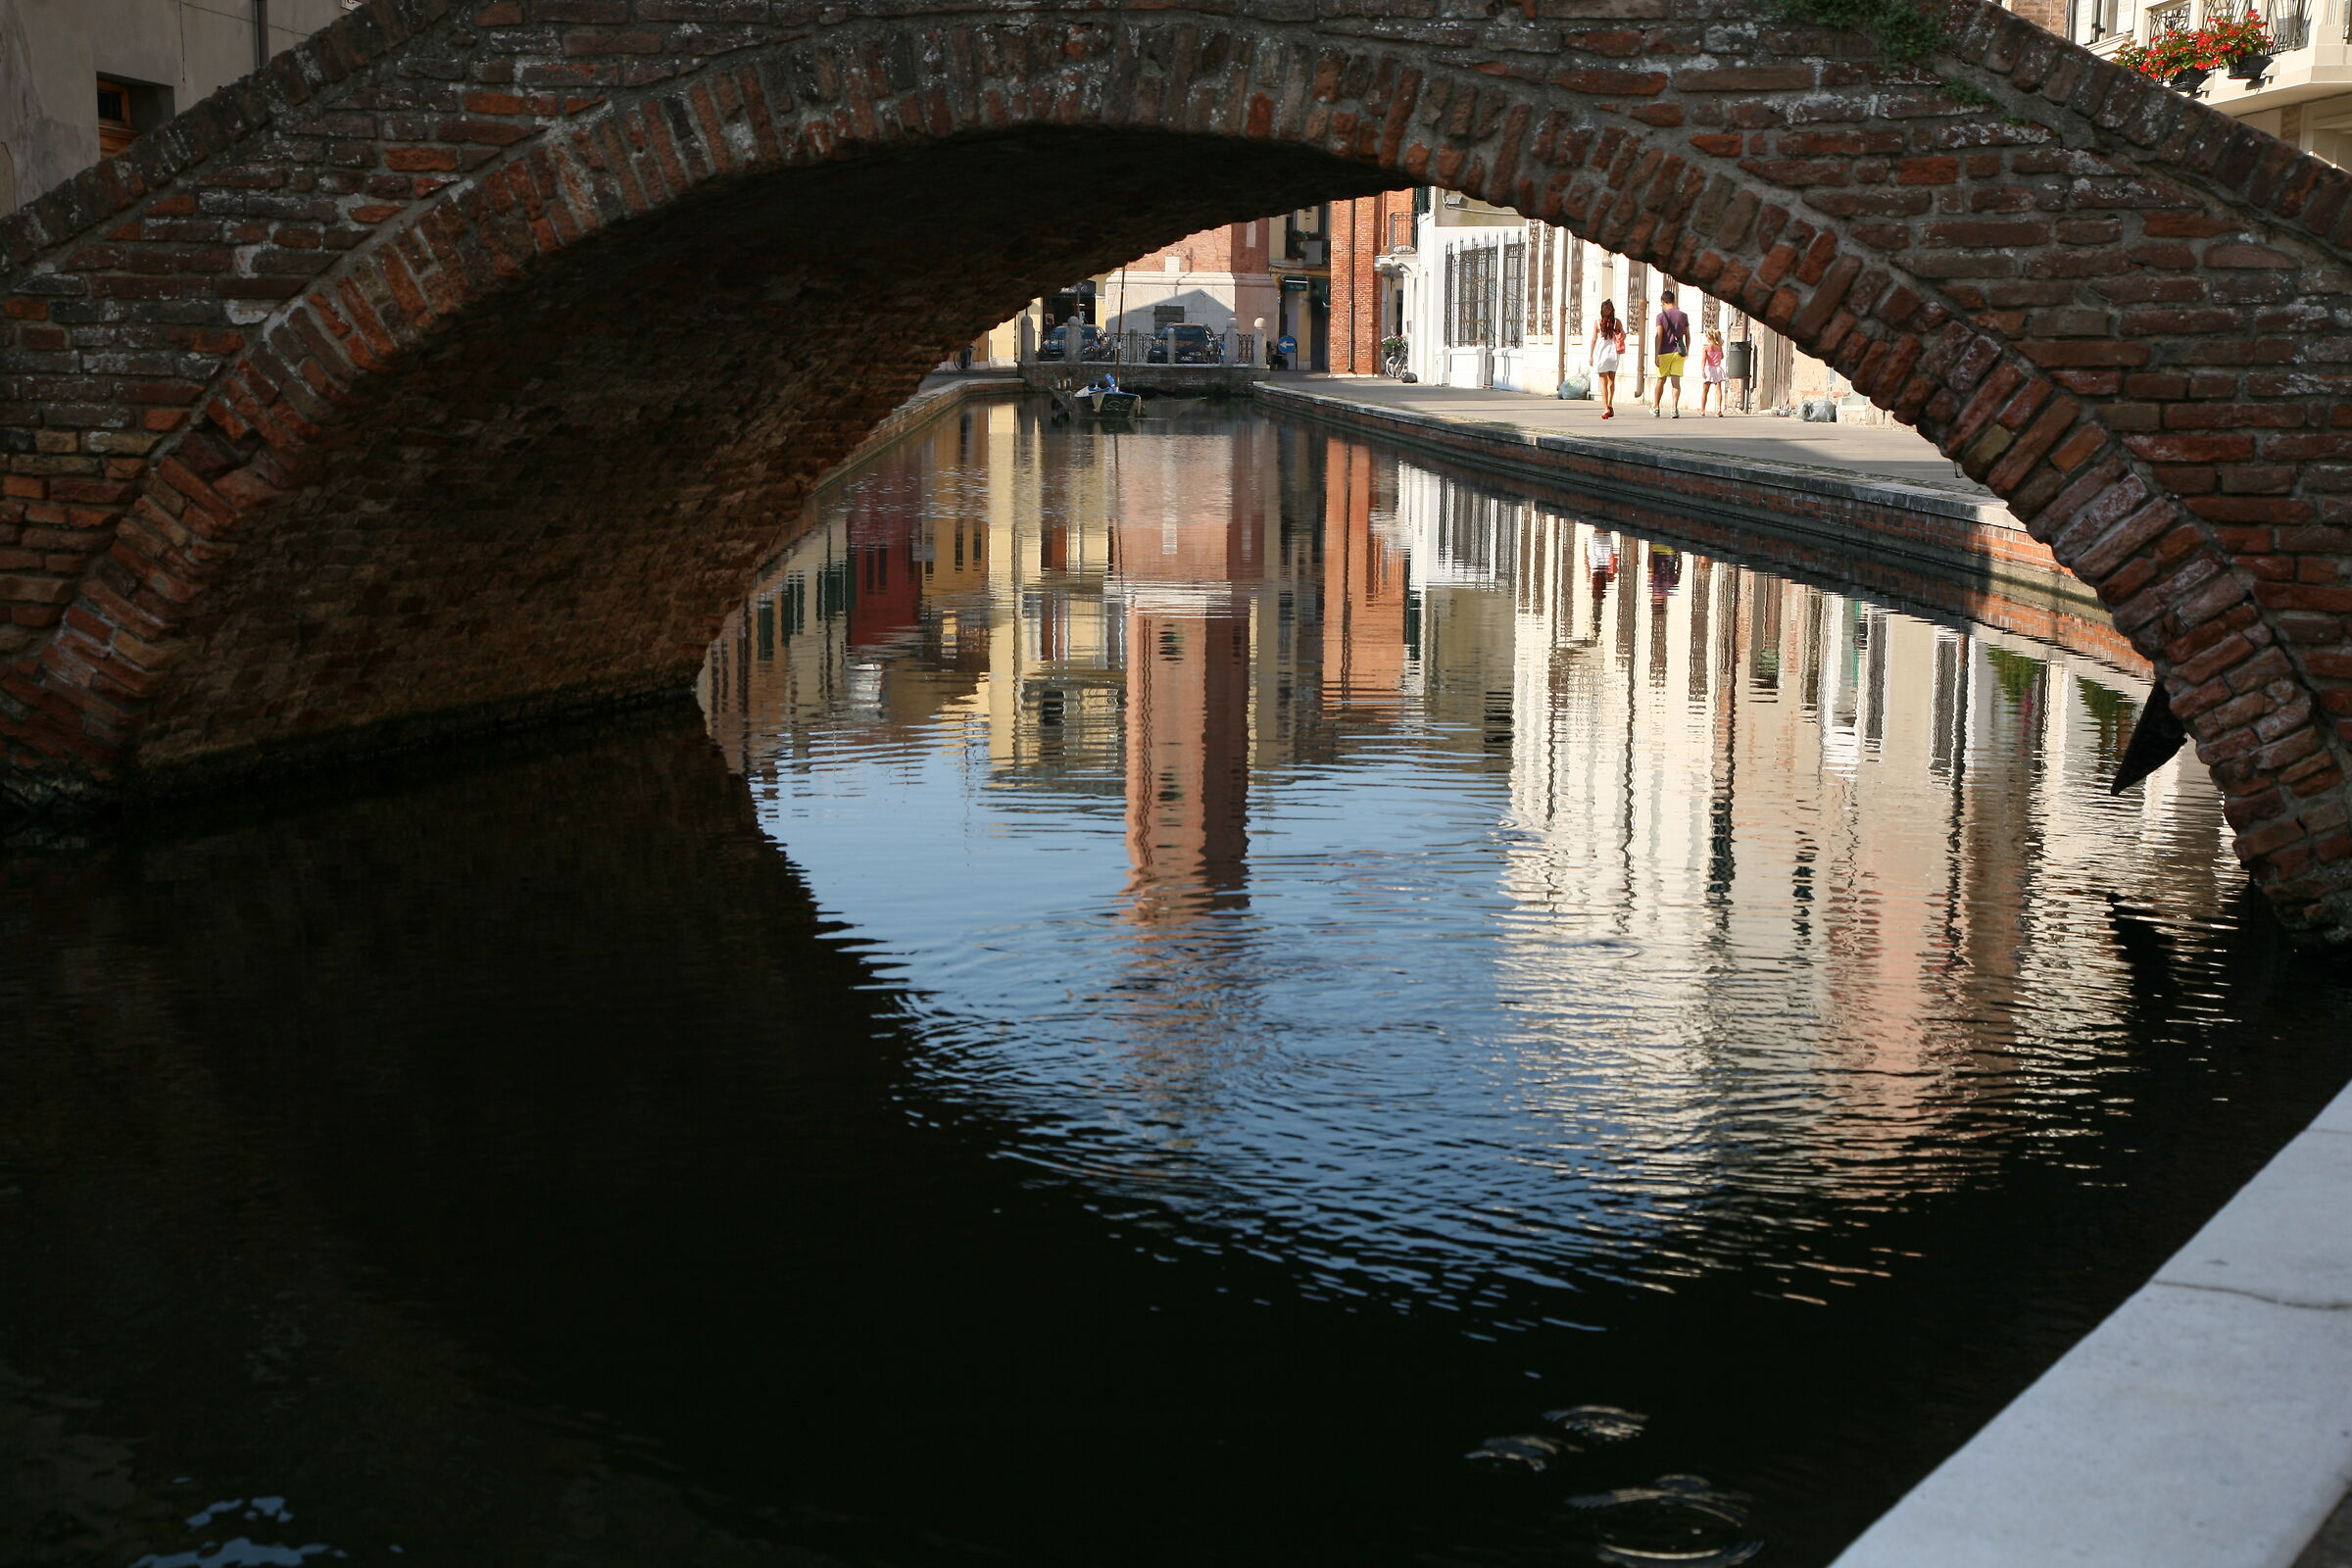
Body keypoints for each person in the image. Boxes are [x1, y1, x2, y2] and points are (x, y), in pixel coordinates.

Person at [1651, 287, 1690, 418]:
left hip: (1664, 352)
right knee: (1676, 382)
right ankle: (1674, 408)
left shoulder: (1661, 316)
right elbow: (1688, 335)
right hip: (1679, 352)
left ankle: (1656, 407)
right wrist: (1687, 349)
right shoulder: (1683, 315)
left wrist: (1656, 354)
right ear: (1674, 300)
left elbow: (1659, 335)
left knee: (1660, 380)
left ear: (1663, 302)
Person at [1591, 301, 1625, 419]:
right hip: (1613, 354)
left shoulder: (1598, 323)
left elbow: (1594, 340)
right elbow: (1623, 335)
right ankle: (1610, 403)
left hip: (1601, 354)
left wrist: (1591, 355)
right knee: (1611, 380)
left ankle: (1605, 408)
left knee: (1603, 382)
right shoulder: (1617, 322)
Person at [1697, 327, 1727, 417]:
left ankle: (1702, 409)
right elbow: (1721, 357)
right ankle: (1718, 409)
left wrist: (1702, 370)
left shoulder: (1706, 348)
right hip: (1717, 369)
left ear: (1708, 337)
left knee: (1705, 390)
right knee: (1718, 390)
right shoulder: (1719, 347)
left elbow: (1703, 360)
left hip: (1709, 369)